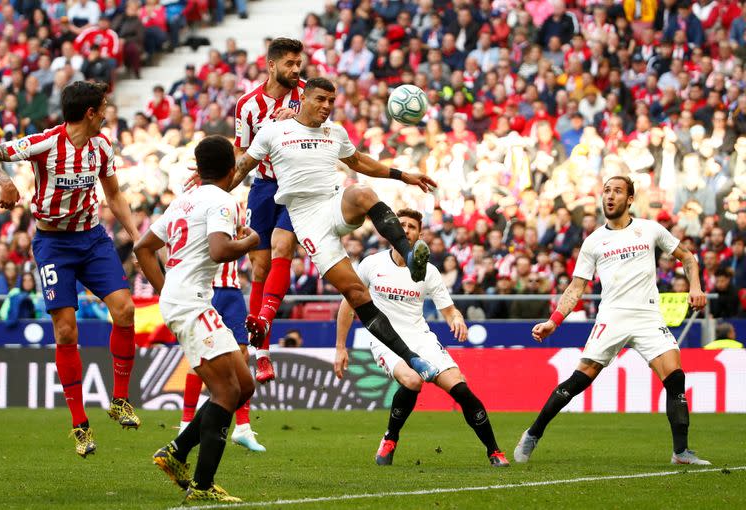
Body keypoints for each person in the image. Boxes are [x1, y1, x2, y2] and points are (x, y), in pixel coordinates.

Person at [0, 81, 141, 457]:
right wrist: (5, 182)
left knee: (125, 309)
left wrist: (134, 235)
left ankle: (120, 400)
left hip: (93, 239)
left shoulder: (101, 146)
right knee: (66, 332)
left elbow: (113, 194)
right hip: (54, 246)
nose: (107, 113)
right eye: (104, 107)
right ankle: (80, 425)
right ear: (90, 113)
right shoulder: (44, 143)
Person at [233, 76, 439, 382]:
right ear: (302, 99)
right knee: (356, 293)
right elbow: (241, 168)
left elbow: (359, 162)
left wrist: (402, 175)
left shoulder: (335, 132)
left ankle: (410, 257)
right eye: (320, 100)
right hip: (307, 222)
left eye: (331, 101)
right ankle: (413, 359)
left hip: (332, 205)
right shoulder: (274, 132)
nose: (327, 107)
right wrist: (209, 185)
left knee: (362, 192)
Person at [515, 175, 710, 466]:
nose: (610, 196)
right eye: (606, 191)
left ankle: (681, 452)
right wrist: (553, 321)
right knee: (580, 379)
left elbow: (688, 257)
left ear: (630, 199)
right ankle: (533, 433)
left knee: (675, 376)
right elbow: (575, 288)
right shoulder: (593, 242)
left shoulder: (649, 229)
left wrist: (695, 286)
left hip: (647, 316)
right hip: (612, 316)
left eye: (617, 191)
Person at [134, 136, 258, 503]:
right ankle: (202, 487)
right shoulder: (223, 201)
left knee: (244, 386)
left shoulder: (183, 200)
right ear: (232, 170)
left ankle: (175, 451)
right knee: (227, 392)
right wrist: (250, 242)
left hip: (187, 299)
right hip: (191, 303)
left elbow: (143, 248)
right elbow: (221, 250)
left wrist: (165, 289)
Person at [334, 208, 509, 467]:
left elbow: (449, 311)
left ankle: (494, 451)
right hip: (385, 339)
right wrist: (340, 346)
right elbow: (348, 304)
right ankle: (390, 438)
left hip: (420, 336)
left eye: (411, 226)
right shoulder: (371, 264)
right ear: (389, 229)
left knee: (460, 387)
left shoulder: (429, 271)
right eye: (400, 224)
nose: (405, 229)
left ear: (420, 234)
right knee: (413, 379)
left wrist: (457, 319)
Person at [233, 37, 306, 384]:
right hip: (263, 188)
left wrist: (299, 119)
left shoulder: (308, 95)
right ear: (271, 65)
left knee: (283, 248)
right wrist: (213, 182)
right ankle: (261, 352)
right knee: (259, 266)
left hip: (296, 187)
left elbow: (326, 131)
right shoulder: (247, 106)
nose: (296, 70)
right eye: (290, 64)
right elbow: (242, 158)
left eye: (298, 63)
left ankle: (262, 320)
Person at [180, 242, 266, 453]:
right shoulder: (202, 211)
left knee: (242, 353)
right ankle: (186, 423)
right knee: (200, 355)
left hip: (232, 290)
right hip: (205, 288)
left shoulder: (239, 211)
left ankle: (243, 427)